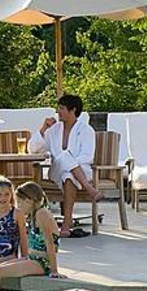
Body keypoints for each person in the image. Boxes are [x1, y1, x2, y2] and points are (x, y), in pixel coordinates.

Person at [28, 94, 101, 238]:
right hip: (57, 171)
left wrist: (70, 165)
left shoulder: (86, 130)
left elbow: (88, 156)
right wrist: (43, 129)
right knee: (65, 159)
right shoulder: (53, 129)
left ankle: (67, 224)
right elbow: (33, 149)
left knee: (68, 175)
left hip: (81, 171)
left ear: (72, 110)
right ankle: (89, 188)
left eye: (61, 108)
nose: (58, 111)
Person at [0, 182, 63, 291]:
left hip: (43, 262)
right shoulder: (34, 214)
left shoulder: (42, 214)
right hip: (32, 258)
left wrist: (54, 270)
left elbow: (50, 244)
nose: (17, 205)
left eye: (19, 202)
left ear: (28, 201)